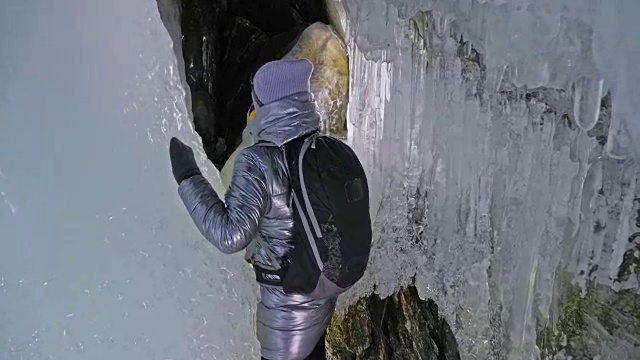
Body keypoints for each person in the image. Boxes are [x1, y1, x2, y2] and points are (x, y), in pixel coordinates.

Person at [169, 59, 335, 360]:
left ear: (263, 106)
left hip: (286, 304)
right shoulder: (322, 148)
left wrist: (188, 177)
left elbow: (231, 235)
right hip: (322, 290)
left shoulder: (259, 162)